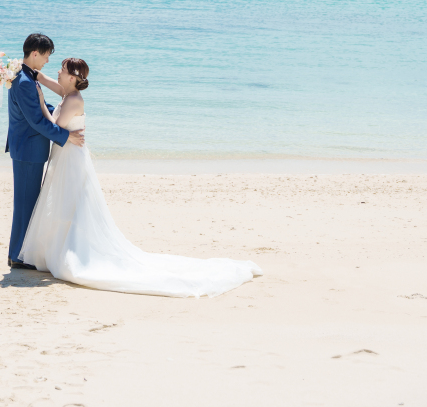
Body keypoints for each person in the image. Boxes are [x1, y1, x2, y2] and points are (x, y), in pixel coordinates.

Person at [19, 57, 263, 297]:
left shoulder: (73, 100)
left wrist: (40, 101)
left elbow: (53, 125)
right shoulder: (67, 93)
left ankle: (73, 251)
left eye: (62, 70)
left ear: (72, 77)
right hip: (67, 155)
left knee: (71, 204)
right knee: (65, 202)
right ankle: (61, 247)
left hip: (70, 158)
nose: (58, 73)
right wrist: (33, 74)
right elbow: (54, 85)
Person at [5, 32, 85, 269]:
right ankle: (19, 256)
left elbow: (39, 108)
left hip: (26, 148)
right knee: (26, 204)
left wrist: (58, 110)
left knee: (25, 203)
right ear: (35, 53)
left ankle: (17, 253)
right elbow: (37, 122)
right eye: (47, 55)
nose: (48, 61)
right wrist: (66, 136)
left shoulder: (26, 77)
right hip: (29, 149)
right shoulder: (25, 82)